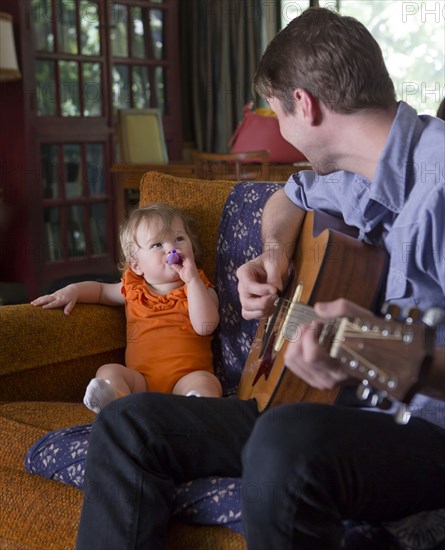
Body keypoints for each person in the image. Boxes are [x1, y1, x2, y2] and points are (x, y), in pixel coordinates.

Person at [75, 8, 445, 549]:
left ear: (304, 104)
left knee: (286, 438)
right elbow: (285, 199)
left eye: (277, 115)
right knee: (128, 424)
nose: (286, 134)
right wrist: (274, 254)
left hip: (427, 432)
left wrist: (378, 351)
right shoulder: (351, 176)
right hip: (331, 407)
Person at [32, 204, 222, 413]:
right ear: (137, 266)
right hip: (141, 384)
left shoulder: (199, 288)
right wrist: (73, 290)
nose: (172, 249)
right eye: (157, 244)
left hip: (186, 380)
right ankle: (116, 403)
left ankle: (196, 408)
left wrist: (192, 279)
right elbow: (101, 291)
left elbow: (206, 326)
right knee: (108, 370)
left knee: (206, 381)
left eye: (179, 239)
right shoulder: (133, 289)